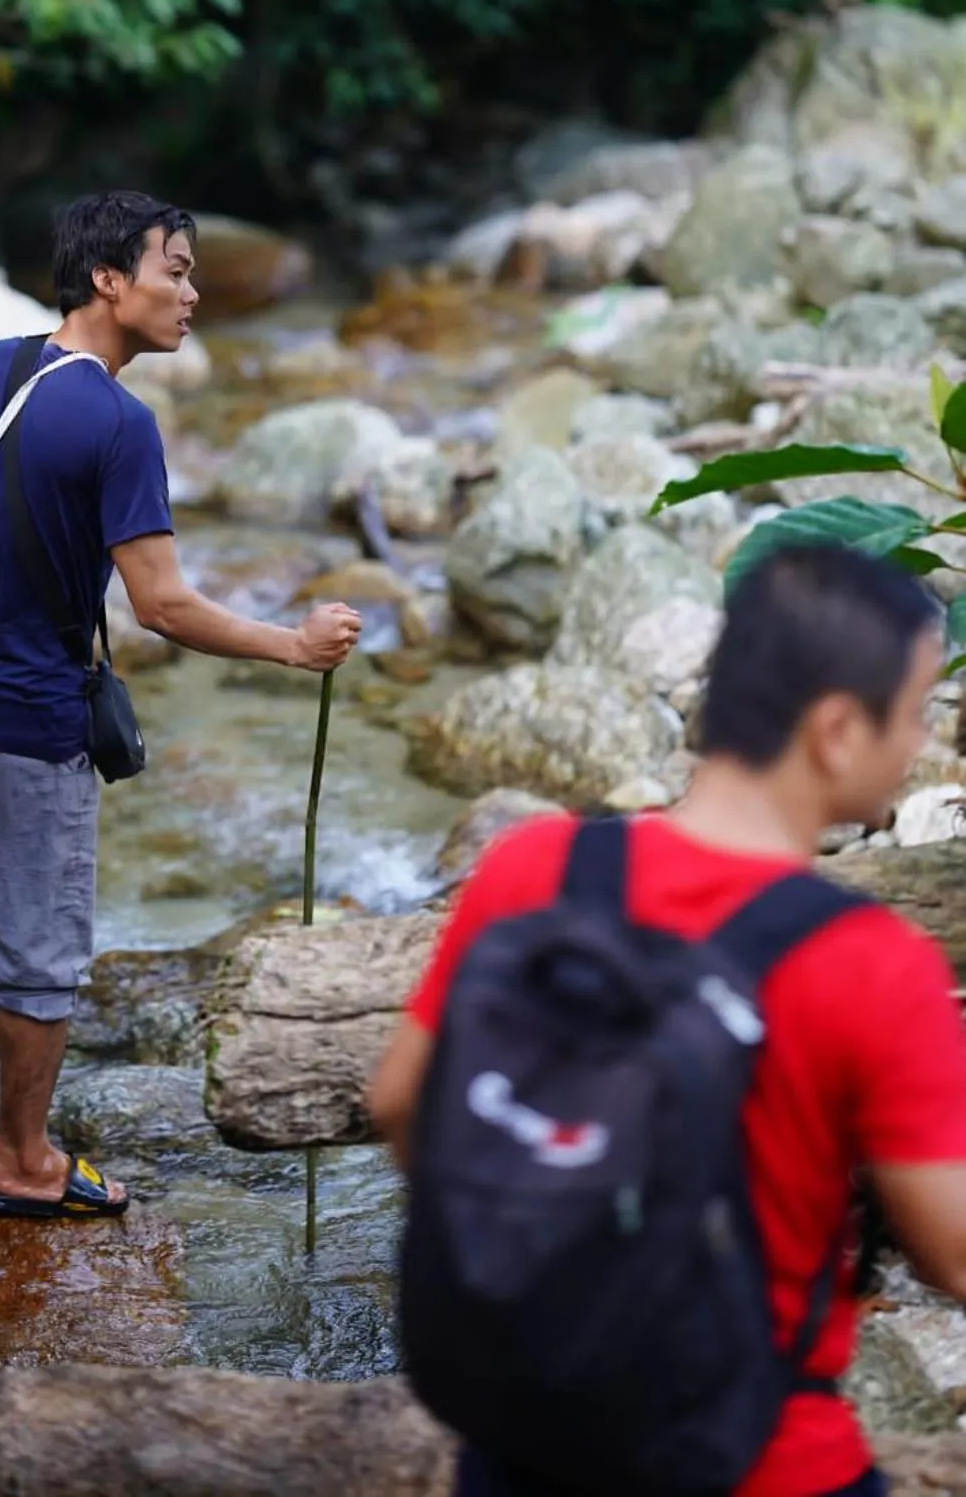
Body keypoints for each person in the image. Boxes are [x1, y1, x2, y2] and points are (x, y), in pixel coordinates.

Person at [370, 543, 966, 1497]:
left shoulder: (537, 868)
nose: (919, 739)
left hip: (524, 1442)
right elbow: (950, 1251)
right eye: (913, 712)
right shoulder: (871, 962)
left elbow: (401, 1101)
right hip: (753, 1456)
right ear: (836, 730)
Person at [0, 191, 362, 1218]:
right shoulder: (119, 422)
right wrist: (294, 644)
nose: (191, 293)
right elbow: (164, 606)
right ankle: (23, 1161)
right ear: (108, 278)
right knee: (40, 962)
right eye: (175, 269)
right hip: (23, 722)